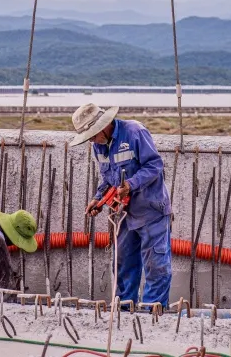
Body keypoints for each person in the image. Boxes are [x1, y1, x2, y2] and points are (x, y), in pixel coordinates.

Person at [71, 103, 172, 309]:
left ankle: (154, 313)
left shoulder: (135, 132)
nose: (91, 140)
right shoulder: (98, 146)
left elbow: (155, 166)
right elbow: (108, 177)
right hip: (126, 214)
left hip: (151, 210)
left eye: (91, 135)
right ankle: (125, 311)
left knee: (156, 265)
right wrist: (98, 199)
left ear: (103, 126)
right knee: (124, 264)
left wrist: (130, 184)